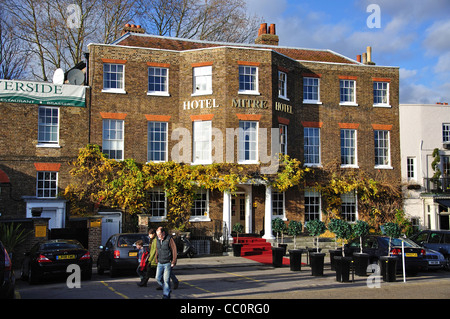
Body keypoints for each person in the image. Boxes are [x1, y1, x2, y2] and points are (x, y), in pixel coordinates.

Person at [155, 227, 177, 299]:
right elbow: (157, 249)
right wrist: (156, 259)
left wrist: (173, 261)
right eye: (157, 235)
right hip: (160, 262)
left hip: (167, 262)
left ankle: (166, 295)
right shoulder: (157, 240)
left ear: (163, 233)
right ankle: (167, 289)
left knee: (166, 280)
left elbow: (174, 250)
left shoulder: (169, 239)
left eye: (159, 234)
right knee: (158, 278)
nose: (158, 236)